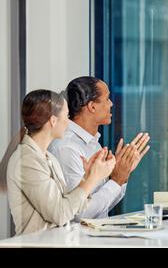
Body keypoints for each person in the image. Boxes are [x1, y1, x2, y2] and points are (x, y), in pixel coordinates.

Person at [0, 90, 115, 235]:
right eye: (66, 116)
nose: (69, 122)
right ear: (53, 121)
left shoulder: (48, 158)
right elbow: (60, 214)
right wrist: (92, 180)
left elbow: (69, 207)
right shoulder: (26, 161)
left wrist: (86, 177)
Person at [49, 77, 150, 219]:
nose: (111, 104)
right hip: (78, 240)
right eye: (107, 99)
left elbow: (103, 207)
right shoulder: (66, 148)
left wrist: (121, 175)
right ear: (92, 106)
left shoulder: (92, 143)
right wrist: (116, 180)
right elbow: (79, 214)